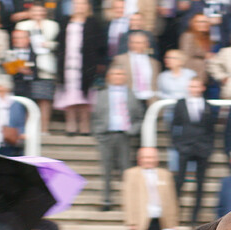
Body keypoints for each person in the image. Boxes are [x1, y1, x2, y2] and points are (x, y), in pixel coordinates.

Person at [91, 66, 143, 212]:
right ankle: (106, 200)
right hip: (106, 135)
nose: (118, 76)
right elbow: (95, 117)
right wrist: (98, 134)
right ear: (109, 76)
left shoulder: (132, 95)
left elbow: (139, 117)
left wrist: (133, 130)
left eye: (121, 73)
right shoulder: (101, 94)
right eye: (115, 73)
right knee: (106, 170)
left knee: (126, 170)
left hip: (125, 136)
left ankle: (129, 200)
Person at [54, 0, 103, 137]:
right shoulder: (66, 21)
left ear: (87, 6)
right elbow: (60, 42)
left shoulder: (93, 22)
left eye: (83, 4)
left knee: (84, 97)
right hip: (68, 63)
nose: (79, 7)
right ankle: (71, 125)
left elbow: (98, 45)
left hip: (86, 64)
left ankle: (84, 126)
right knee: (70, 95)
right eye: (77, 4)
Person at [171, 76, 215, 225]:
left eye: (198, 86)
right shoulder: (181, 104)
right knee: (180, 181)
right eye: (192, 86)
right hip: (185, 146)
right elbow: (174, 125)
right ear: (189, 88)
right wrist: (177, 144)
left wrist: (208, 146)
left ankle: (194, 218)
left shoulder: (208, 105)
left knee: (200, 184)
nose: (195, 89)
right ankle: (175, 214)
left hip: (202, 148)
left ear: (202, 88)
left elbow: (211, 129)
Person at [14, 4, 59, 133]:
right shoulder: (22, 25)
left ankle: (44, 129)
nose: (38, 14)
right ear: (29, 12)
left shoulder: (52, 25)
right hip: (26, 66)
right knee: (28, 100)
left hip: (45, 67)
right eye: (35, 11)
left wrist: (47, 44)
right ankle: (28, 130)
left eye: (41, 11)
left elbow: (56, 43)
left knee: (44, 99)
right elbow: (18, 45)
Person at [122, 147, 179, 230]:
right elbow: (128, 199)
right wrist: (131, 221)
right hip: (140, 221)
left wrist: (172, 222)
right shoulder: (131, 174)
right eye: (145, 157)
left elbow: (171, 199)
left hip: (160, 222)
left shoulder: (165, 174)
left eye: (151, 157)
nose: (149, 160)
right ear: (139, 159)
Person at [112, 31, 161, 108]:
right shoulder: (120, 59)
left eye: (141, 43)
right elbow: (113, 80)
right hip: (129, 99)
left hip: (150, 100)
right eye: (135, 42)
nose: (137, 45)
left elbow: (156, 84)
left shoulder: (154, 63)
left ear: (147, 44)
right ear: (129, 44)